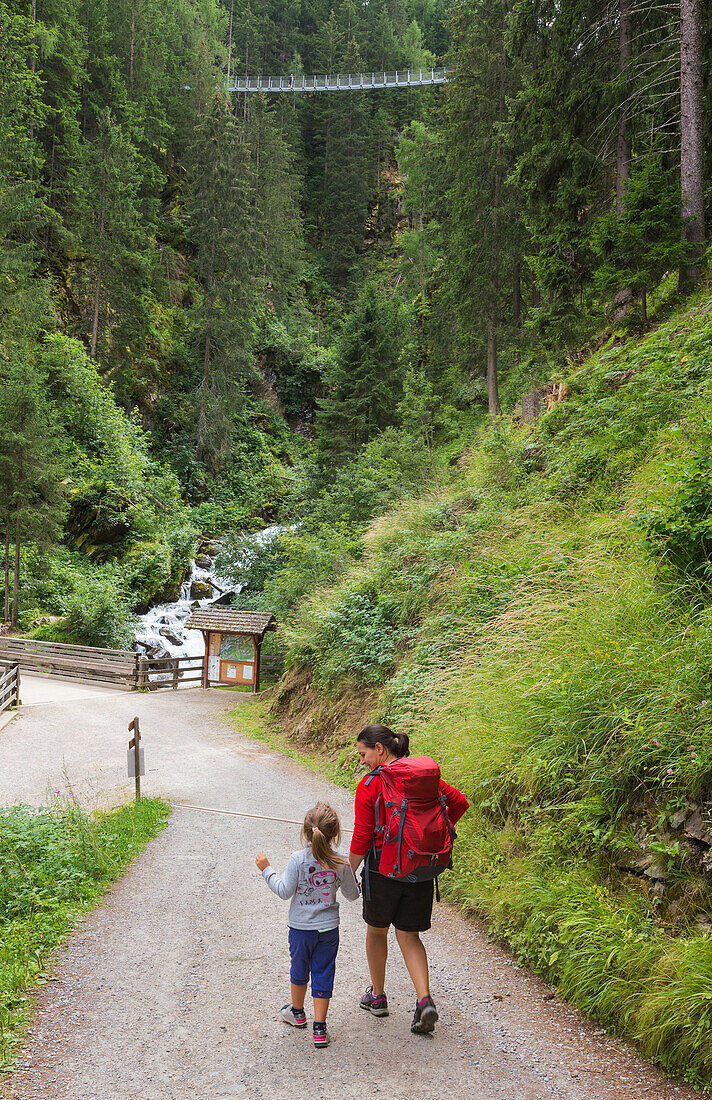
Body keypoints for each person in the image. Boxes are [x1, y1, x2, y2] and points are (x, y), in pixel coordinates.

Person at [348, 724, 469, 1035]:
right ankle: (424, 1000)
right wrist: (431, 834)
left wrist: (346, 873)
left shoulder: (370, 785)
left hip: (383, 870)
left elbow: (361, 838)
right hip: (420, 868)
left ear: (379, 749)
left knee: (377, 932)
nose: (361, 761)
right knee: (410, 936)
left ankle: (377, 997)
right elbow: (459, 803)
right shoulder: (422, 780)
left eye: (363, 754)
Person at [256, 802, 359, 1048]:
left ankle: (298, 1013)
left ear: (305, 832)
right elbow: (352, 895)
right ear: (335, 834)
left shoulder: (297, 859)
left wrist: (266, 869)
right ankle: (320, 1029)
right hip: (328, 930)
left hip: (301, 929)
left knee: (299, 968)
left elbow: (284, 891)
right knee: (323, 972)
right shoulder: (341, 861)